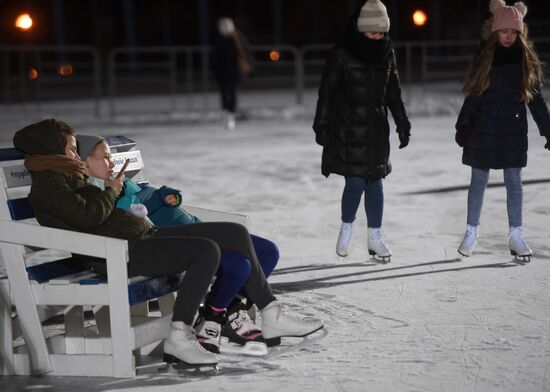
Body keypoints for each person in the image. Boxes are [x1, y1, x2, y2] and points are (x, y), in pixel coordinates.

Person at [76, 134, 282, 354]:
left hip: (194, 227)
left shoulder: (122, 183)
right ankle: (216, 315)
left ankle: (229, 307)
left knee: (267, 251)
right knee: (239, 265)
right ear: (85, 161)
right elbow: (125, 222)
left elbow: (150, 197)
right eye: (105, 157)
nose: (112, 163)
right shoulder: (98, 194)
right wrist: (114, 192)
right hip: (171, 241)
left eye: (111, 157)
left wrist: (166, 196)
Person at [312, 0, 411, 262]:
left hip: (376, 130)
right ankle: (346, 228)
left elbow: (393, 92)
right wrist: (321, 124)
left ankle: (374, 238)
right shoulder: (342, 54)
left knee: (376, 184)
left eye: (382, 32)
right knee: (355, 182)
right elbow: (327, 93)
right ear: (360, 29)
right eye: (373, 32)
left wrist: (402, 122)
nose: (378, 37)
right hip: (348, 129)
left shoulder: (387, 53)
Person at [454, 0, 550, 261]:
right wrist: (464, 124)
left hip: (512, 132)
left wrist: (547, 129)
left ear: (519, 33)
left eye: (513, 32)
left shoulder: (525, 62)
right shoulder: (484, 58)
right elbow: (473, 96)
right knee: (478, 183)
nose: (508, 36)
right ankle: (471, 232)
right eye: (503, 31)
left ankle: (516, 235)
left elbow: (536, 100)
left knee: (514, 184)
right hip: (482, 131)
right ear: (495, 31)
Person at [210, 17, 253, 130]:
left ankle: (231, 116)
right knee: (224, 94)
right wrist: (214, 71)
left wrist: (250, 66)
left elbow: (247, 52)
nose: (225, 29)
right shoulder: (218, 40)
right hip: (222, 72)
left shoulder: (238, 38)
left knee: (233, 93)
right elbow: (214, 58)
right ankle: (226, 113)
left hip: (235, 71)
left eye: (227, 27)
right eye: (222, 27)